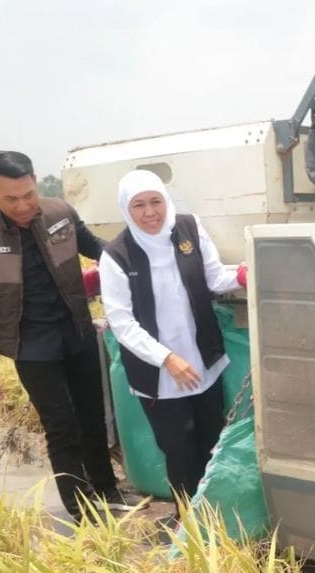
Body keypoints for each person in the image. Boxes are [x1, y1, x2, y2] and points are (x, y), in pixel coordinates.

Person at [0, 150, 122, 521]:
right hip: (31, 346)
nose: (23, 204)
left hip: (76, 331)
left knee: (93, 416)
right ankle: (81, 508)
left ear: (35, 182)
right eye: (11, 198)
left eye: (29, 194)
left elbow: (99, 250)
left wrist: (143, 261)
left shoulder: (60, 213)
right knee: (61, 426)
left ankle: (108, 488)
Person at [99, 170, 245, 504]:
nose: (150, 213)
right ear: (126, 209)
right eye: (139, 205)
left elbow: (214, 277)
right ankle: (188, 521)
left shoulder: (188, 229)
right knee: (178, 447)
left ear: (166, 201)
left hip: (202, 360)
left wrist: (244, 274)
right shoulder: (117, 256)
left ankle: (215, 512)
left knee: (211, 438)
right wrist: (167, 358)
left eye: (155, 202)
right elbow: (122, 323)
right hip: (158, 372)